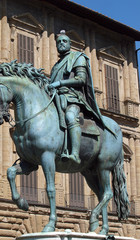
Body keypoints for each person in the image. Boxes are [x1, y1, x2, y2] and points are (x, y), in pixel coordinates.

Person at [48, 30, 106, 164]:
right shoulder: (56, 66)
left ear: (70, 44)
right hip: (56, 97)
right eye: (58, 42)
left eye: (64, 41)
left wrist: (60, 83)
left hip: (73, 98)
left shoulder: (78, 57)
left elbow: (81, 79)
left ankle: (74, 154)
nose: (61, 44)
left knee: (69, 117)